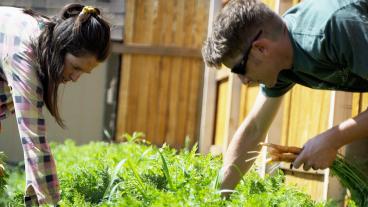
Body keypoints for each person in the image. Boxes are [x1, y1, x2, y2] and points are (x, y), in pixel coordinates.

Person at [202, 0, 368, 195]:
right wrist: (218, 195)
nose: (244, 81)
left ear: (261, 49)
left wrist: (332, 139)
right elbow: (254, 129)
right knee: (358, 165)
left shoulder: (335, 26)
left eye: (240, 69)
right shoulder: (281, 61)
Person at [0, 3, 111, 206]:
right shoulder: (25, 54)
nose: (76, 78)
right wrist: (50, 203)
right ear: (61, 47)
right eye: (76, 67)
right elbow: (33, 141)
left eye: (83, 72)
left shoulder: (49, 35)